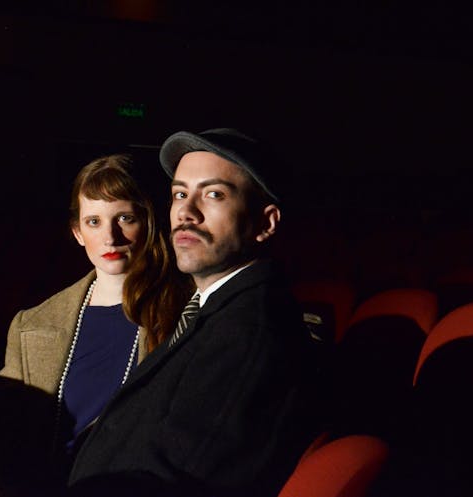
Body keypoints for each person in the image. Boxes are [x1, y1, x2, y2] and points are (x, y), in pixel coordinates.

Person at [68, 129, 320, 496]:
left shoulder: (247, 334)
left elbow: (171, 483)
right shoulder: (213, 309)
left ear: (265, 224)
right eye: (180, 194)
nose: (186, 212)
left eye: (214, 194)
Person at [0, 154, 190, 495]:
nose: (111, 237)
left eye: (125, 218)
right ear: (77, 232)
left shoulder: (189, 308)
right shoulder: (32, 324)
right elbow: (3, 433)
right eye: (94, 222)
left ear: (148, 222)